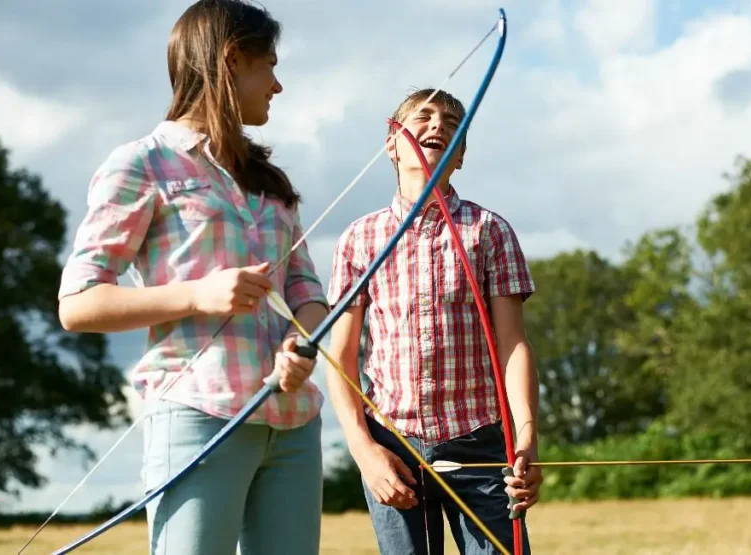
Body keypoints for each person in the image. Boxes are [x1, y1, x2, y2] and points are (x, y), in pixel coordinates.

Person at [56, 1, 328, 554]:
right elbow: (78, 303)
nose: (277, 85)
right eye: (268, 65)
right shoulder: (140, 164)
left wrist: (304, 343)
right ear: (232, 60)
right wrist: (198, 295)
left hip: (295, 423)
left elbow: (305, 289)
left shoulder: (270, 179)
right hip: (198, 418)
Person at [325, 88, 543, 555]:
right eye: (422, 117)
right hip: (392, 447)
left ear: (461, 154)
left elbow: (513, 345)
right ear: (391, 143)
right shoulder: (359, 238)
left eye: (451, 123)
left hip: (481, 442)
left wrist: (526, 437)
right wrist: (366, 454)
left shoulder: (490, 231)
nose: (437, 125)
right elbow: (339, 359)